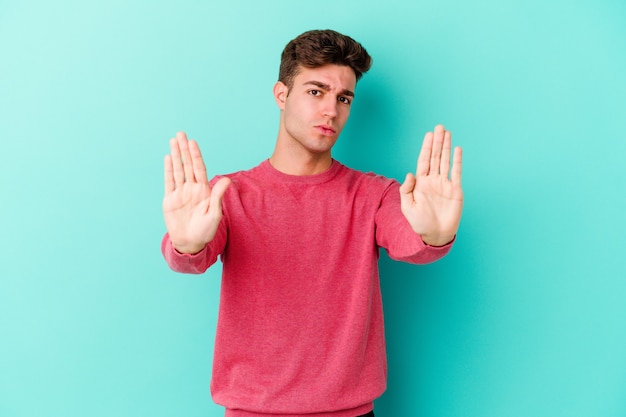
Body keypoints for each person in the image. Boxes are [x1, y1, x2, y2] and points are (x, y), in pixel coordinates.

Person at [161, 29, 463, 417]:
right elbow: (190, 255)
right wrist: (186, 245)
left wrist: (435, 234)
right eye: (316, 91)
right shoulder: (227, 194)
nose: (331, 111)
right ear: (281, 95)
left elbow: (411, 242)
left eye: (344, 98)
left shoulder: (375, 194)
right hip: (253, 411)